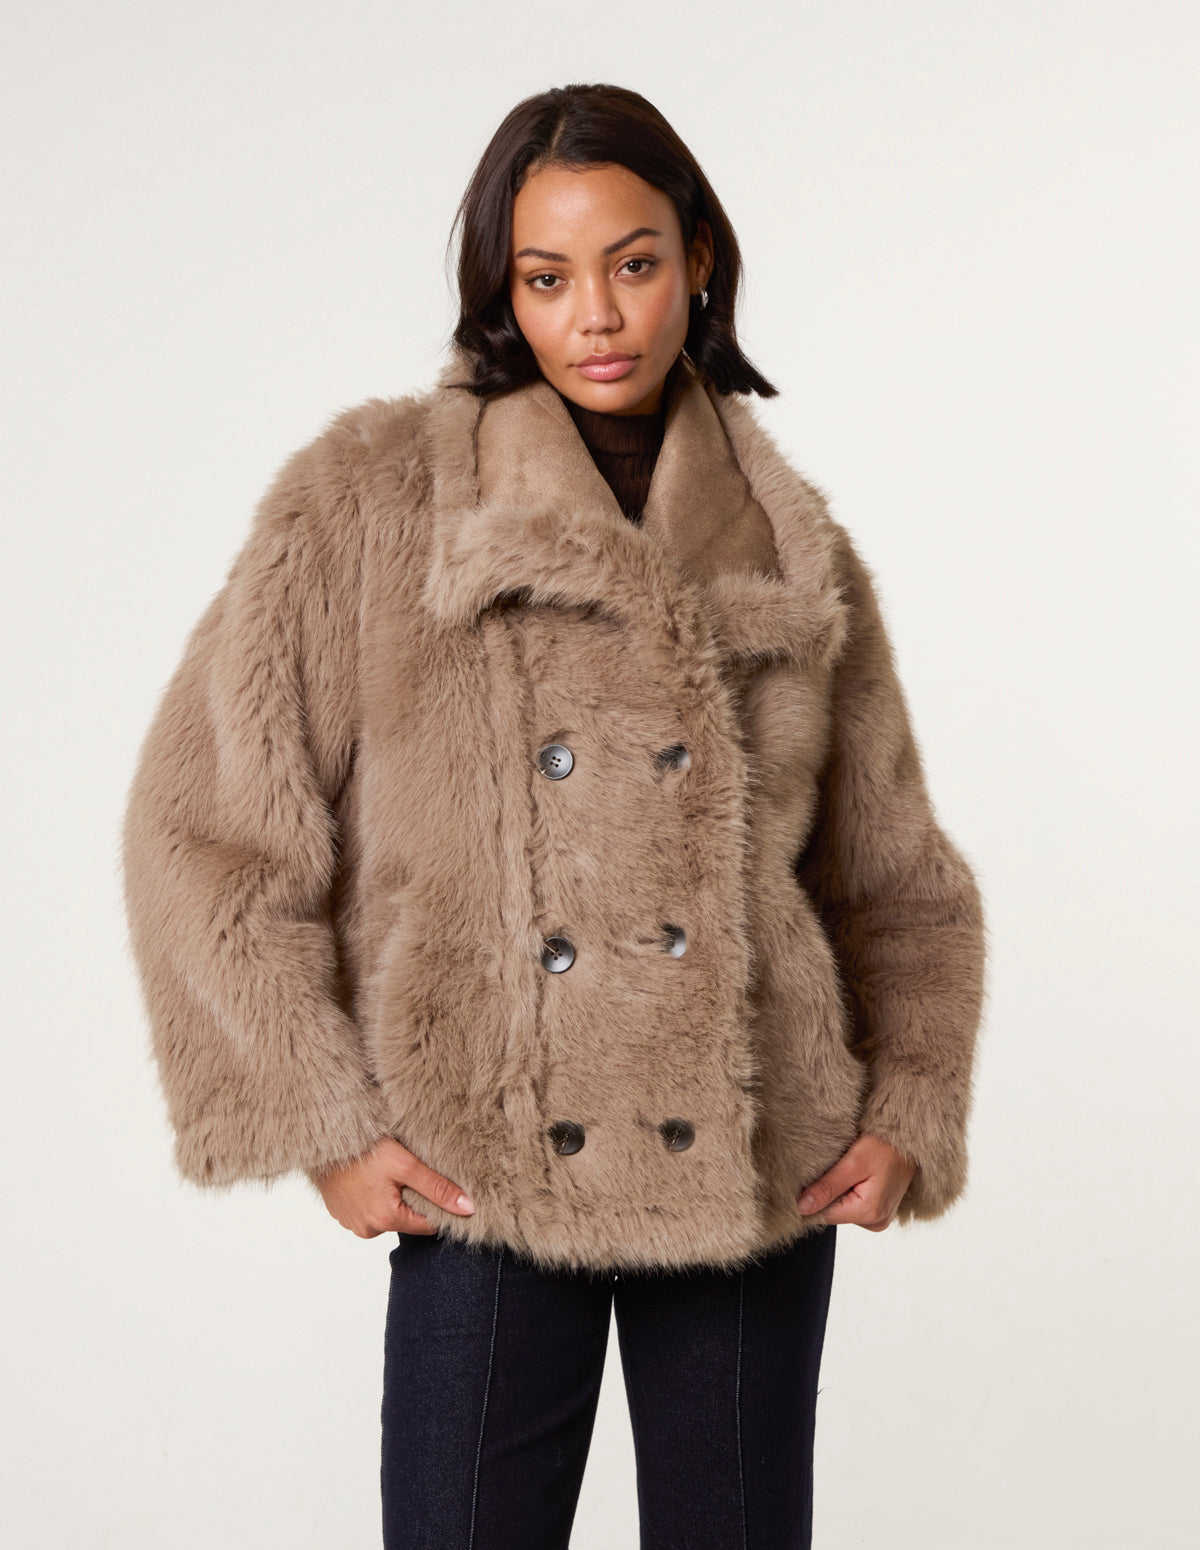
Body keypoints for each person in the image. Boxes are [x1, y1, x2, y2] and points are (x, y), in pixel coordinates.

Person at [121, 82, 987, 1550]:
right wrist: (322, 1119)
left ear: (698, 257)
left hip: (751, 1161)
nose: (596, 314)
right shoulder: (375, 503)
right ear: (501, 292)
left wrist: (909, 1103)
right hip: (485, 1152)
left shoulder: (791, 540)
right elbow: (204, 826)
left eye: (633, 262)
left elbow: (893, 873)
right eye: (546, 276)